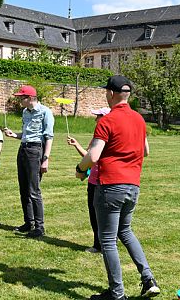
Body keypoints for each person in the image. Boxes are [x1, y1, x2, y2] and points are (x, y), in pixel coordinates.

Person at [75, 75, 159, 300]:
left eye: (106, 92)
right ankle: (147, 278)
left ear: (111, 94)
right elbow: (146, 151)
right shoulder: (139, 119)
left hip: (110, 186)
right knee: (125, 231)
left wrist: (80, 168)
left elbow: (92, 156)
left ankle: (117, 293)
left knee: (108, 240)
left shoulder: (107, 120)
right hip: (133, 186)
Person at [4, 85, 54, 238]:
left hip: (35, 151)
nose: (19, 100)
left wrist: (45, 159)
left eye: (21, 98)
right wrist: (14, 135)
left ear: (30, 98)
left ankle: (39, 227)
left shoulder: (45, 112)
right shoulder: (25, 113)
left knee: (34, 190)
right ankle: (28, 222)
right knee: (23, 189)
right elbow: (26, 134)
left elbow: (49, 137)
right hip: (23, 149)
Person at [67, 107, 110, 254]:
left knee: (99, 214)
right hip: (93, 179)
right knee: (94, 213)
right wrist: (76, 145)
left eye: (98, 116)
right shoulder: (96, 136)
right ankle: (100, 244)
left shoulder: (106, 134)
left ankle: (101, 246)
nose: (95, 119)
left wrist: (80, 170)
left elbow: (93, 157)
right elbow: (88, 155)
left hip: (101, 180)